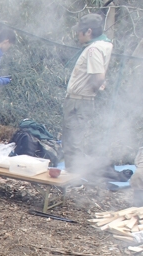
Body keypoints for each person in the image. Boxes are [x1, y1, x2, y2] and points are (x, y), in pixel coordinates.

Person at [62, 13, 113, 177]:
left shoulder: (94, 49)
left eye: (80, 32)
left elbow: (98, 77)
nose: (78, 35)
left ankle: (74, 176)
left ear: (89, 31)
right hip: (81, 100)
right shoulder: (104, 45)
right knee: (74, 138)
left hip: (80, 101)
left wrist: (95, 87)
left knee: (73, 140)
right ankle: (74, 173)